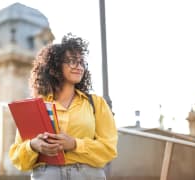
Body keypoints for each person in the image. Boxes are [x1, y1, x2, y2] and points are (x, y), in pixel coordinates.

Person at [9, 33, 118, 180]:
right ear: (54, 67)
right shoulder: (35, 107)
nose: (79, 67)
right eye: (72, 61)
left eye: (81, 62)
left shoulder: (96, 104)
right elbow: (17, 158)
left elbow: (109, 149)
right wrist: (33, 146)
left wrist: (74, 144)